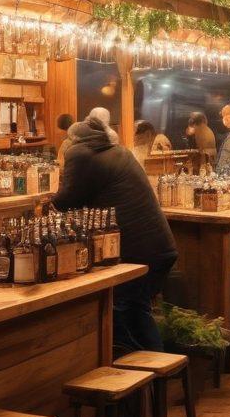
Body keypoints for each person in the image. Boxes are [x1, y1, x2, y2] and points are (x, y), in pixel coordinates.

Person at [52, 108, 177, 352]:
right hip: (159, 246)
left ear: (75, 139)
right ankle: (156, 377)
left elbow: (67, 200)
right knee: (136, 309)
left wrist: (48, 202)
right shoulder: (118, 151)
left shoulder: (79, 154)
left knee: (120, 310)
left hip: (138, 251)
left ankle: (140, 375)